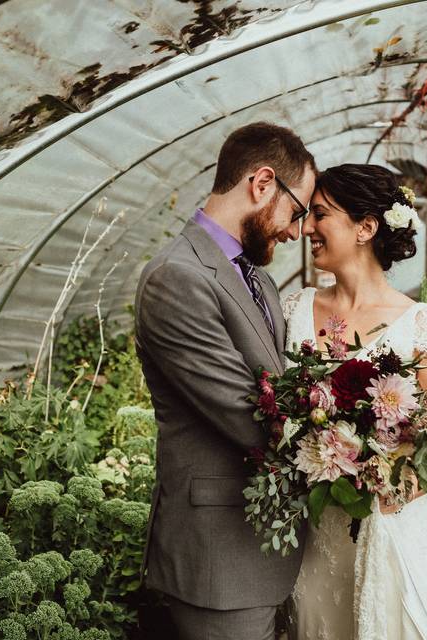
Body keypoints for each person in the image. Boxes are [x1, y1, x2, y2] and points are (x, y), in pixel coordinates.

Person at [134, 121, 317, 640]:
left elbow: (276, 379)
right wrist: (352, 442)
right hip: (219, 557)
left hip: (262, 544)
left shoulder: (256, 275)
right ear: (262, 184)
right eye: (297, 211)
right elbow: (247, 411)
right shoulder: (177, 278)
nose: (296, 231)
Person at [284, 164, 427, 640]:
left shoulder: (420, 325)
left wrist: (391, 492)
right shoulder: (294, 309)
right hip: (316, 535)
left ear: (366, 228)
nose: (306, 227)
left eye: (321, 215)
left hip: (389, 529)